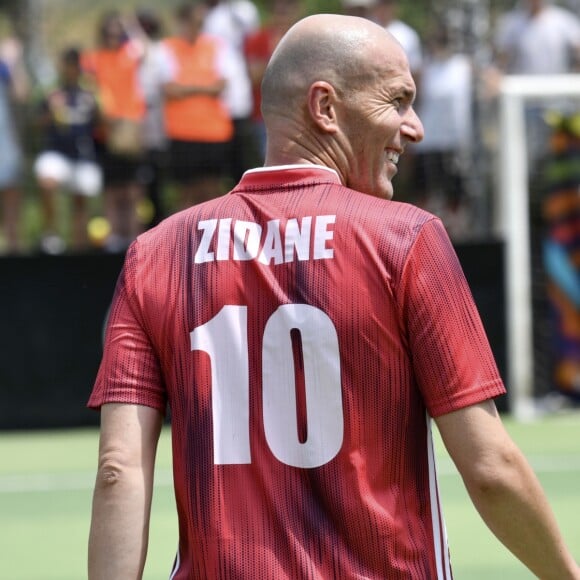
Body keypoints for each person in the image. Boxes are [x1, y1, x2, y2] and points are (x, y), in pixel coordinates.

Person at [88, 14, 580, 580]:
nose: (414, 127)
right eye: (396, 101)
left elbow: (118, 470)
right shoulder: (407, 240)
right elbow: (490, 467)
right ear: (324, 108)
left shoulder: (155, 254)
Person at [83, 11, 147, 252]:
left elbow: (146, 49)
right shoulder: (93, 59)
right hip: (106, 132)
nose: (112, 36)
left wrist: (131, 26)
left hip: (130, 130)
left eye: (117, 32)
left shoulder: (129, 54)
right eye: (108, 32)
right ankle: (113, 242)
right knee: (112, 190)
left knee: (133, 190)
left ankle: (134, 241)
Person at [161, 2, 233, 208]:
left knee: (212, 191)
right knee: (186, 193)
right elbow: (169, 90)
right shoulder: (168, 48)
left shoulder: (216, 46)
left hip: (214, 133)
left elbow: (222, 85)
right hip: (182, 133)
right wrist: (204, 88)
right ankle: (185, 239)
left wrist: (187, 89)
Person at [34, 47, 102, 254]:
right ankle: (51, 235)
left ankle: (78, 248)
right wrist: (53, 110)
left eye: (74, 64)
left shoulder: (90, 94)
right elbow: (37, 125)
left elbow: (101, 125)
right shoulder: (53, 94)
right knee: (47, 178)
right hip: (57, 154)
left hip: (83, 158)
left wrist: (97, 103)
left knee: (80, 199)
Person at [203, 0, 261, 182]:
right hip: (221, 98)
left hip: (244, 93)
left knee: (247, 155)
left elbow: (253, 41)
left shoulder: (246, 9)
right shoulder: (213, 17)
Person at [244, 0, 304, 158]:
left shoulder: (307, 38)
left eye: (288, 4)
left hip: (301, 115)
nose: (282, 8)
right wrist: (276, 50)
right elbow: (254, 77)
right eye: (278, 4)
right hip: (266, 117)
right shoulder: (258, 38)